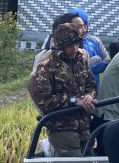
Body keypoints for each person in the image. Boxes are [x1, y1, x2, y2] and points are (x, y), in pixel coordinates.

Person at [28, 24, 97, 156]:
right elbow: (44, 99)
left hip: (83, 124)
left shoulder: (81, 60)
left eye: (77, 44)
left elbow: (91, 84)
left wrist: (90, 96)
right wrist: (73, 101)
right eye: (70, 46)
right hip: (62, 126)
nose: (74, 49)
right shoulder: (47, 66)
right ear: (60, 46)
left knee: (89, 159)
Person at [70, 7, 110, 81]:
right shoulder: (67, 44)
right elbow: (76, 66)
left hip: (94, 84)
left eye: (85, 25)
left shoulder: (94, 40)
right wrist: (97, 59)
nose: (84, 29)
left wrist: (92, 67)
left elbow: (107, 59)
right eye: (79, 26)